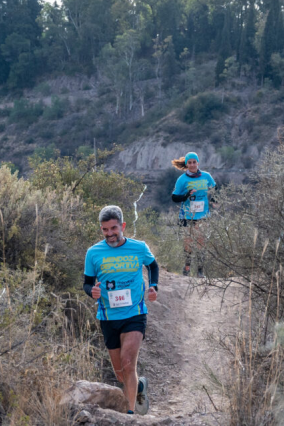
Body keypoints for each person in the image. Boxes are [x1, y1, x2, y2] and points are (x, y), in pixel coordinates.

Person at [83, 205, 159, 416]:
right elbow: (87, 283)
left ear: (123, 226)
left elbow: (153, 266)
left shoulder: (139, 247)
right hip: (108, 316)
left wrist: (153, 287)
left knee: (128, 362)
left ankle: (130, 414)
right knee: (120, 374)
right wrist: (93, 292)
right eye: (105, 230)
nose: (110, 234)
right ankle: (139, 387)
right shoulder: (93, 253)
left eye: (114, 228)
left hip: (135, 314)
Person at [171, 152, 217, 277]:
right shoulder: (182, 179)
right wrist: (186, 195)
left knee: (201, 241)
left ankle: (200, 270)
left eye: (194, 162)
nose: (192, 165)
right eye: (189, 162)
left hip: (203, 214)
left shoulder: (206, 176)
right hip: (187, 215)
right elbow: (174, 197)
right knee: (188, 242)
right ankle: (187, 266)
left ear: (198, 163)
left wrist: (214, 200)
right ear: (186, 164)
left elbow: (215, 189)